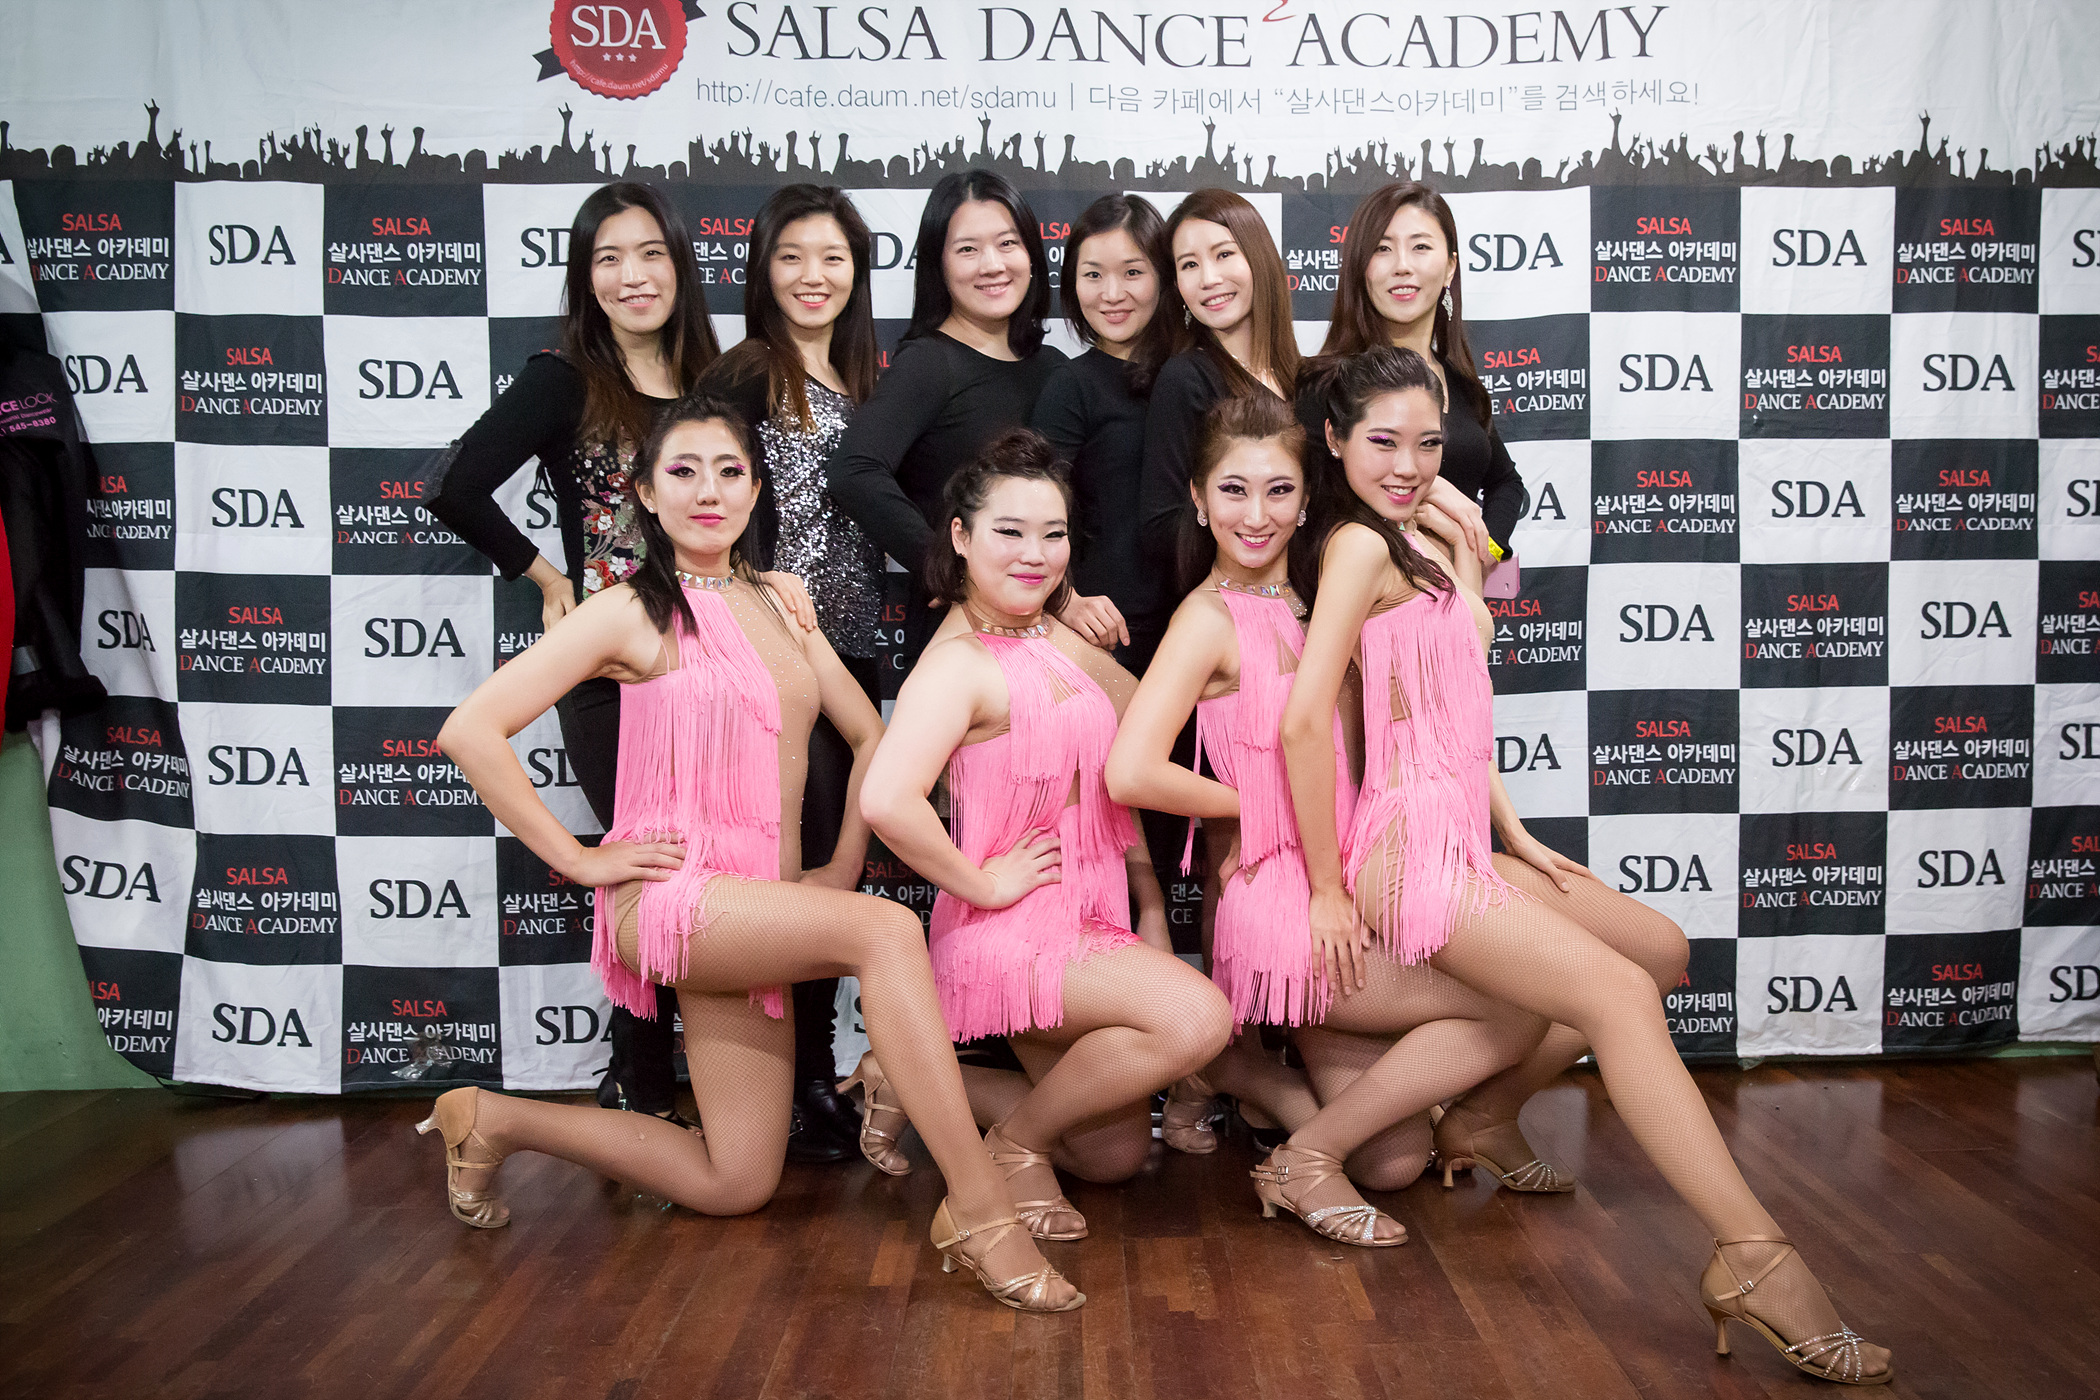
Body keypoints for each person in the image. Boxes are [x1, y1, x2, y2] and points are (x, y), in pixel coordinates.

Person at [1282, 346, 1889, 1383]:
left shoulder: (1420, 536)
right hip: (1404, 851)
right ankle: (1754, 1253)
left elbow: (1453, 707)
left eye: (1427, 442)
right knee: (1616, 995)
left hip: (1462, 831)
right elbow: (1305, 723)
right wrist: (1332, 889)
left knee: (1657, 948)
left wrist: (1513, 831)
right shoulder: (1350, 545)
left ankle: (1481, 1115)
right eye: (1382, 441)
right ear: (1334, 441)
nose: (1408, 463)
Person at [420, 394, 1083, 1314]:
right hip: (675, 904)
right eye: (683, 472)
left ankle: (490, 1118)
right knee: (888, 932)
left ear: (756, 490)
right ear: (645, 494)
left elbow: (869, 738)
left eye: (730, 472)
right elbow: (470, 731)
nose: (709, 491)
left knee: (735, 1180)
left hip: (757, 910)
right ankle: (979, 1212)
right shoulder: (625, 611)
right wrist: (582, 860)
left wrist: (840, 867)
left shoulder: (778, 602)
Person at [425, 182, 818, 1145]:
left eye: (650, 254)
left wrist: (765, 584)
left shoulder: (719, 385)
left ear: (680, 266)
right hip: (617, 677)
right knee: (652, 865)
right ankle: (637, 1078)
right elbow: (455, 485)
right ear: (585, 280)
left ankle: (750, 1085)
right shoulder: (563, 381)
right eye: (608, 259)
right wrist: (546, 577)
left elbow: (748, 510)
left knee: (734, 868)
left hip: (722, 671)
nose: (632, 276)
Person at [1106, 394, 1546, 1243]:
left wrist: (1460, 533)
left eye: (1279, 491)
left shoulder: (1337, 590)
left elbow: (1448, 687)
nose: (1256, 515)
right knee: (1517, 1005)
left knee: (1393, 1164)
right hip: (1288, 904)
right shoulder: (1206, 618)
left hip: (1360, 876)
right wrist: (1260, 808)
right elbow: (1131, 770)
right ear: (1197, 498)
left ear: (1309, 499)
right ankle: (1288, 1137)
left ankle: (1243, 1078)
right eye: (1233, 490)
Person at [858, 430, 1233, 1241]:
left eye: (1053, 534)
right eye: (1010, 532)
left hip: (1088, 916)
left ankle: (900, 1073)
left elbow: (1129, 748)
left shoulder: (1045, 637)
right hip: (1013, 930)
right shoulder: (958, 664)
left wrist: (1149, 901)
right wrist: (985, 884)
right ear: (960, 537)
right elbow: (886, 799)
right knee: (1197, 1019)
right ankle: (1017, 1146)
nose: (1035, 554)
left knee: (1112, 1156)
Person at [697, 184, 885, 1161]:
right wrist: (752, 574)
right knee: (782, 865)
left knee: (827, 856)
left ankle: (816, 1071)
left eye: (834, 258)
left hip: (851, 646)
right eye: (792, 257)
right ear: (762, 271)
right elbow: (702, 495)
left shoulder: (864, 375)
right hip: (773, 651)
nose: (814, 277)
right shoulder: (745, 372)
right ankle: (794, 1082)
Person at [824, 168, 1066, 665]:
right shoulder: (929, 363)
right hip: (961, 635)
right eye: (968, 249)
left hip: (1049, 625)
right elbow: (855, 470)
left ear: (1031, 255)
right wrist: (948, 570)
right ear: (939, 264)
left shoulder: (1055, 369)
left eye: (1007, 243)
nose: (992, 265)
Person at [1307, 179, 1522, 570]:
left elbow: (1507, 483)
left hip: (1459, 595)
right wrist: (1430, 489)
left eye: (1420, 247)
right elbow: (1308, 507)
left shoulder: (1458, 380)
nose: (1402, 265)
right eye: (1382, 249)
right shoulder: (1327, 383)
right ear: (1360, 268)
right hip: (1367, 598)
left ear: (1450, 267)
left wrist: (1483, 552)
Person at [1028, 193, 1176, 668]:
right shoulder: (1070, 386)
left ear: (1164, 277)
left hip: (1204, 621)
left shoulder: (1195, 375)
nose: (1111, 294)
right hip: (1109, 632)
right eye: (1093, 275)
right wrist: (1065, 600)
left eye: (1132, 272)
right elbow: (1030, 508)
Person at [1136, 189, 1300, 573]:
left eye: (1224, 255)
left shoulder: (1305, 378)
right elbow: (1159, 527)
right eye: (1189, 265)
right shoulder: (1185, 379)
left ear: (1258, 257)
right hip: (1230, 597)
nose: (1209, 279)